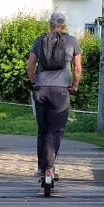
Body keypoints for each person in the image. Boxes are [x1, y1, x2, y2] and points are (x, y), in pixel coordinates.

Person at [26, 11, 82, 195]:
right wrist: (74, 84)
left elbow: (30, 65)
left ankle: (43, 169)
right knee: (55, 131)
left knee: (42, 130)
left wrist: (34, 82)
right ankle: (50, 168)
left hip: (41, 90)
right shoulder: (72, 41)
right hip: (61, 91)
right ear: (65, 25)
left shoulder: (39, 40)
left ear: (50, 24)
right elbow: (77, 68)